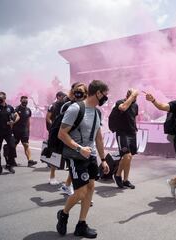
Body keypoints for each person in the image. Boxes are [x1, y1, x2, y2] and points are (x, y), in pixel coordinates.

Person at [56, 80, 110, 238]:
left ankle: (81, 224)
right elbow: (62, 134)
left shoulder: (98, 112)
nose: (106, 98)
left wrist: (103, 159)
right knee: (80, 192)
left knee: (90, 189)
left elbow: (98, 138)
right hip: (76, 156)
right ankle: (64, 214)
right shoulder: (75, 108)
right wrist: (79, 148)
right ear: (98, 93)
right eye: (105, 95)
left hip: (91, 156)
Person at [59, 83, 88, 196]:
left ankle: (68, 186)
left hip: (84, 144)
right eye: (76, 90)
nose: (78, 92)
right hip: (70, 144)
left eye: (81, 91)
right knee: (77, 169)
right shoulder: (68, 106)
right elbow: (62, 127)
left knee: (76, 169)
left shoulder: (88, 107)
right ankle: (80, 194)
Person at [113, 89, 139, 189]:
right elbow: (123, 108)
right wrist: (132, 96)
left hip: (132, 133)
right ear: (128, 95)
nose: (135, 98)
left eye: (136, 97)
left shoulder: (135, 105)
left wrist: (134, 129)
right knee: (126, 156)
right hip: (122, 133)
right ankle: (118, 174)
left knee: (129, 157)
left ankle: (125, 180)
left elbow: (133, 117)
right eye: (133, 96)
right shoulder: (120, 102)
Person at [46, 91, 67, 185]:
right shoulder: (53, 105)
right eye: (63, 96)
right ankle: (52, 176)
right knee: (55, 153)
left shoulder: (68, 105)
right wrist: (53, 127)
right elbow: (48, 118)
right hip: (55, 131)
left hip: (65, 131)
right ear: (58, 96)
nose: (65, 98)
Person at [13, 96, 37, 167]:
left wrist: (28, 130)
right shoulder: (16, 109)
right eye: (23, 101)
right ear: (20, 100)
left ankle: (30, 161)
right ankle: (12, 160)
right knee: (13, 146)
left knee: (26, 145)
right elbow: (13, 120)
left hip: (24, 131)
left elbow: (28, 121)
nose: (25, 102)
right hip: (16, 131)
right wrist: (11, 130)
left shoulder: (28, 110)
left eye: (26, 101)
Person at [0, 91, 19, 174]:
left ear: (4, 98)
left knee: (12, 146)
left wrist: (13, 122)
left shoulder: (9, 107)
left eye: (0, 98)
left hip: (8, 131)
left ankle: (9, 165)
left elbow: (17, 116)